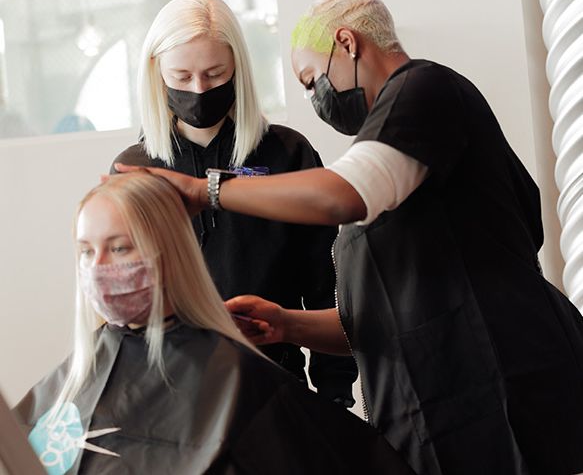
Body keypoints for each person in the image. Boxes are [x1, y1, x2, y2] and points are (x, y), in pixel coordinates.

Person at [117, 0, 583, 475]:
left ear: (347, 43)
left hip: (501, 393)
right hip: (430, 408)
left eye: (313, 78)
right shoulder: (394, 156)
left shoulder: (423, 91)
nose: (316, 97)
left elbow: (341, 195)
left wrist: (204, 191)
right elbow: (371, 318)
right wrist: (286, 323)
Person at [14, 172, 413, 475]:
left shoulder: (236, 378)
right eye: (86, 251)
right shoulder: (72, 376)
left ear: (168, 251)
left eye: (120, 247)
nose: (99, 267)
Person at [111, 0, 357, 406]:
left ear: (237, 69)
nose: (199, 88)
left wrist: (335, 394)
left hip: (275, 383)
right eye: (182, 76)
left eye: (214, 73)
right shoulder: (133, 169)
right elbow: (123, 298)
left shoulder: (287, 154)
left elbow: (324, 283)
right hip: (172, 392)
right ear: (156, 72)